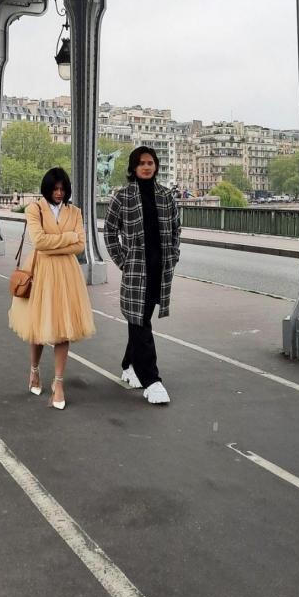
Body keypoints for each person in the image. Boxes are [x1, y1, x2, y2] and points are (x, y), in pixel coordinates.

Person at [8, 167, 95, 410]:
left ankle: (59, 383)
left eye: (62, 188)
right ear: (47, 188)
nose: (59, 193)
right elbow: (39, 242)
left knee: (62, 329)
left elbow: (80, 246)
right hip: (41, 272)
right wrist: (68, 237)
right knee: (38, 327)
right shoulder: (34, 208)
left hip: (67, 275)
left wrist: (57, 242)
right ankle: (34, 371)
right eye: (55, 188)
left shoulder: (75, 211)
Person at [103, 146, 180, 405]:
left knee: (141, 319)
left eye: (151, 163)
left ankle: (128, 365)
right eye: (141, 163)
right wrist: (123, 261)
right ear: (133, 167)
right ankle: (152, 380)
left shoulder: (166, 196)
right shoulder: (122, 197)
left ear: (156, 166)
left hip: (159, 269)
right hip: (136, 271)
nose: (147, 167)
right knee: (140, 323)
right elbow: (110, 232)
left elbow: (175, 230)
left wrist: (174, 255)